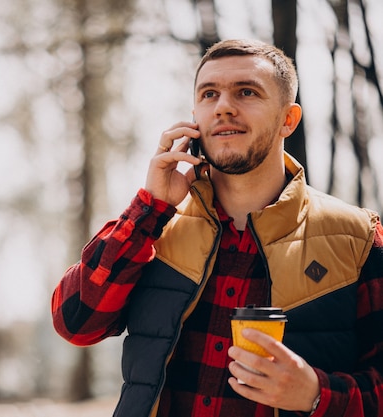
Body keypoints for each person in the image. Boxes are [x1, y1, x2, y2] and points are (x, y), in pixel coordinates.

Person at [51, 39, 383, 417]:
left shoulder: (357, 237)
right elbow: (76, 323)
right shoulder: (154, 226)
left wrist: (317, 395)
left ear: (287, 120)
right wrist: (148, 208)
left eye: (246, 92)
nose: (224, 106)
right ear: (195, 115)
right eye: (209, 94)